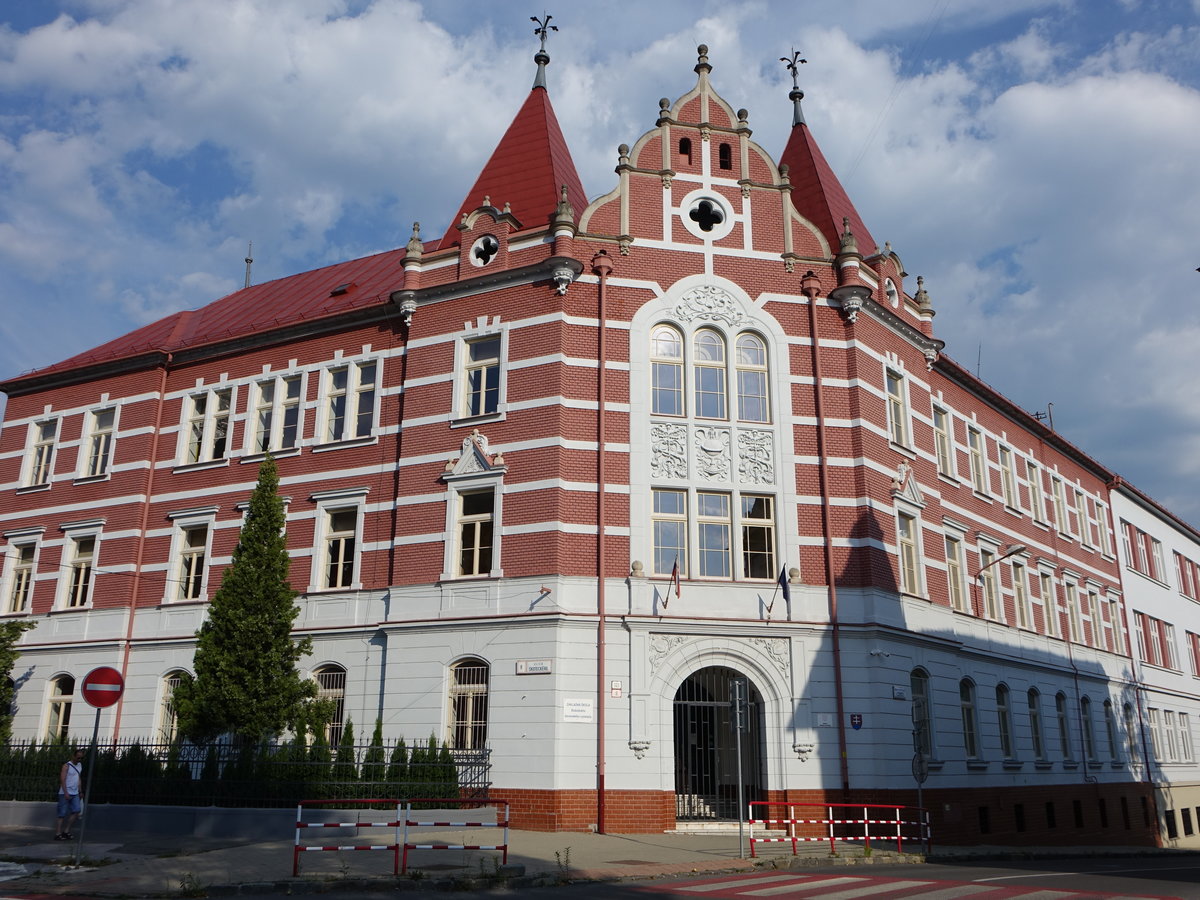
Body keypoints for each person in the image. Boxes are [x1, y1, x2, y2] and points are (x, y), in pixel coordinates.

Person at [55, 748, 84, 841]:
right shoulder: (66, 766)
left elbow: (78, 778)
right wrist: (65, 792)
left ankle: (66, 831)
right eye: (78, 758)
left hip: (75, 792)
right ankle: (58, 833)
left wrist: (80, 791)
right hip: (65, 792)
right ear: (74, 756)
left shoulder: (79, 765)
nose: (79, 760)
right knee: (62, 814)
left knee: (76, 810)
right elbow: (62, 779)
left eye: (81, 758)